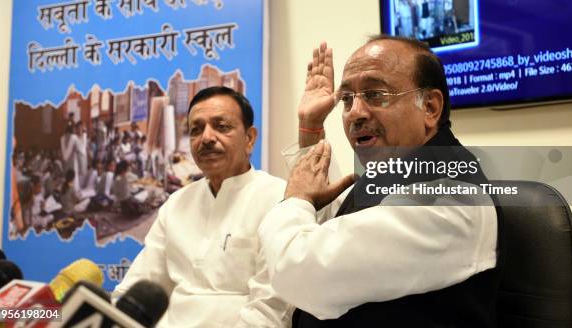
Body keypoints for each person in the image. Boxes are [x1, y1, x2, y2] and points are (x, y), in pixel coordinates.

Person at [258, 38, 501, 327]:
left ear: (430, 108)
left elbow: (299, 273)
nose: (356, 113)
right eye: (347, 99)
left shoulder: (449, 198)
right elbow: (336, 227)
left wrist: (294, 200)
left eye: (375, 94)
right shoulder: (393, 168)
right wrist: (311, 129)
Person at [113, 86, 292, 327]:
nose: (206, 138)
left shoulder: (278, 198)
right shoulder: (177, 203)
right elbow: (139, 285)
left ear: (249, 138)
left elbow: (271, 306)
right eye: (196, 130)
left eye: (221, 126)